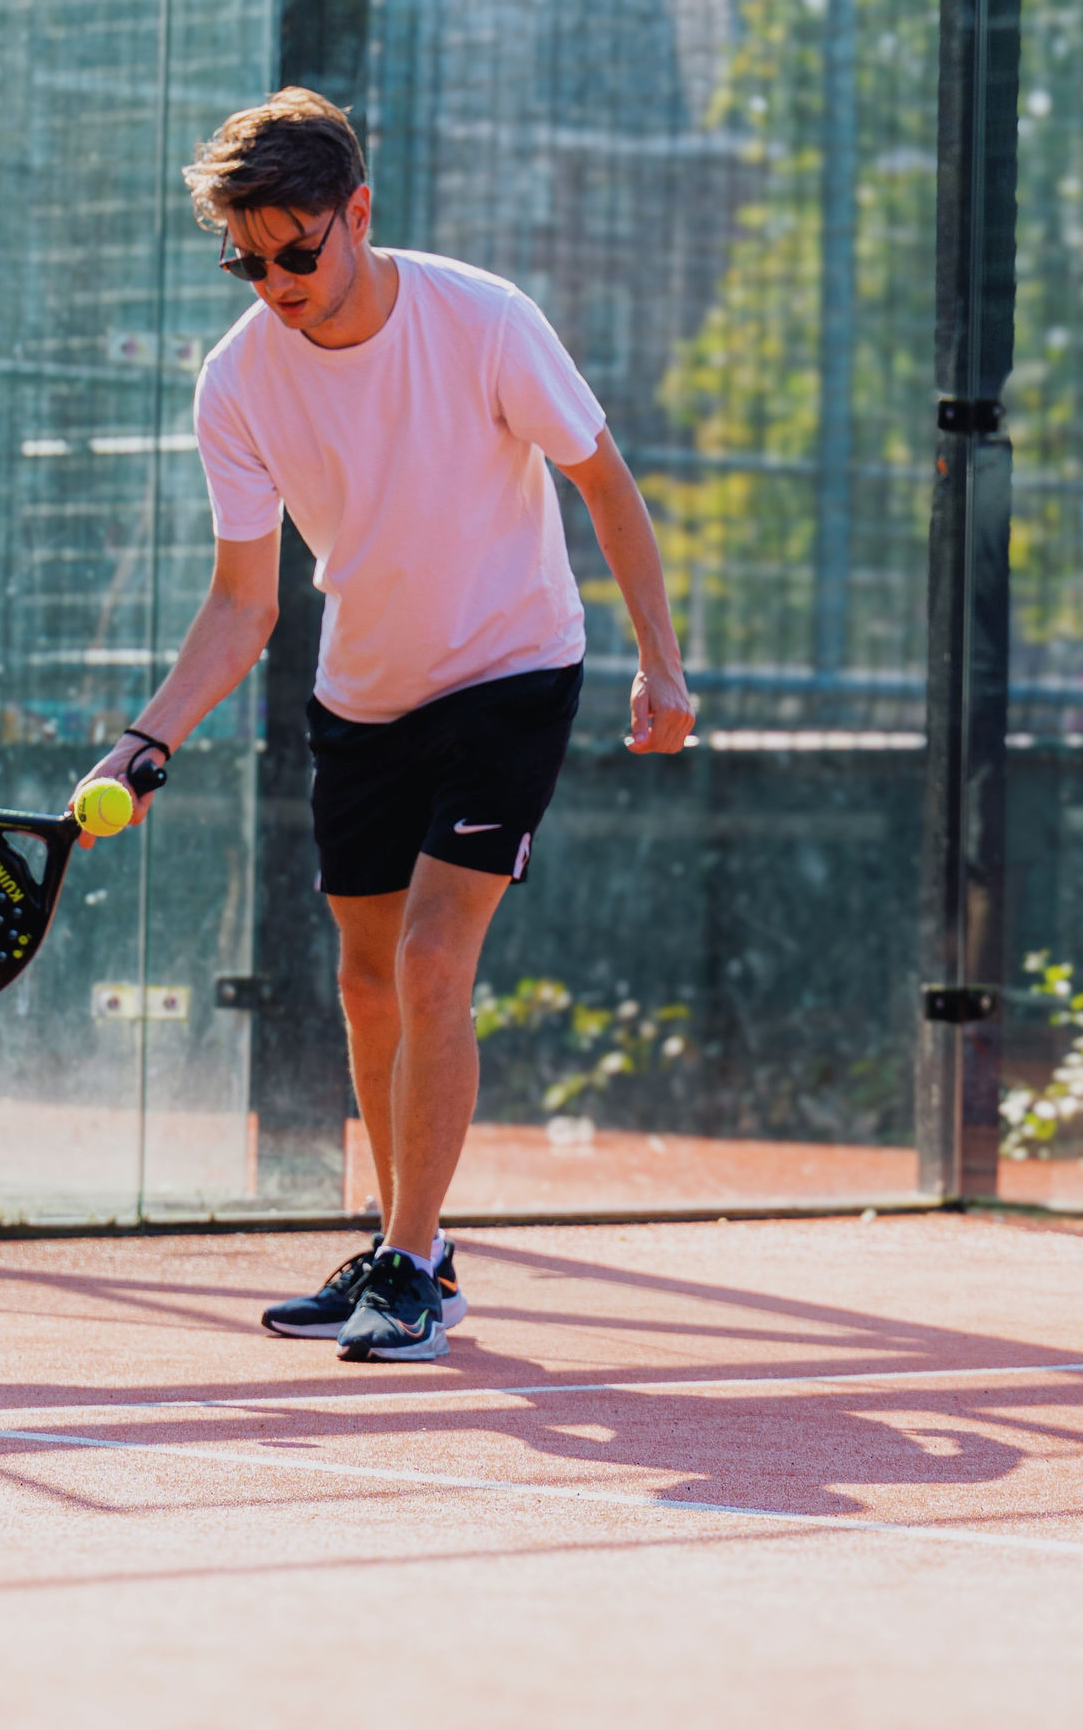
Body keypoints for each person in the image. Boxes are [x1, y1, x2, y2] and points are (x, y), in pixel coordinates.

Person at [79, 87, 694, 1362]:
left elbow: (604, 480)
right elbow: (243, 604)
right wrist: (144, 745)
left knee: (428, 962)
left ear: (356, 213)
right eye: (246, 259)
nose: (274, 281)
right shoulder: (238, 381)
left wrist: (660, 661)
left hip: (514, 668)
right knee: (366, 986)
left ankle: (412, 1261)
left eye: (296, 250)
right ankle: (409, 1249)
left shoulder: (483, 321)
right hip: (363, 694)